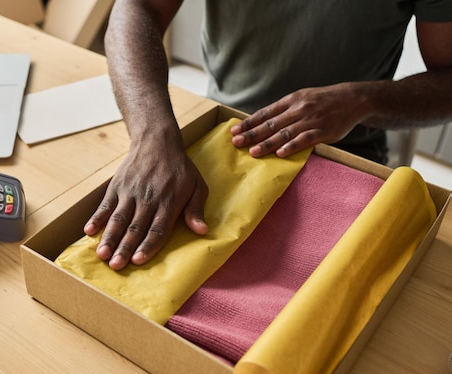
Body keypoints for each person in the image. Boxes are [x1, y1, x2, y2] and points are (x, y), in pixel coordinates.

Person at [83, 0, 452, 271]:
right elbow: (138, 8)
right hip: (226, 133)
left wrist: (362, 100)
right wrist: (152, 133)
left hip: (347, 151)